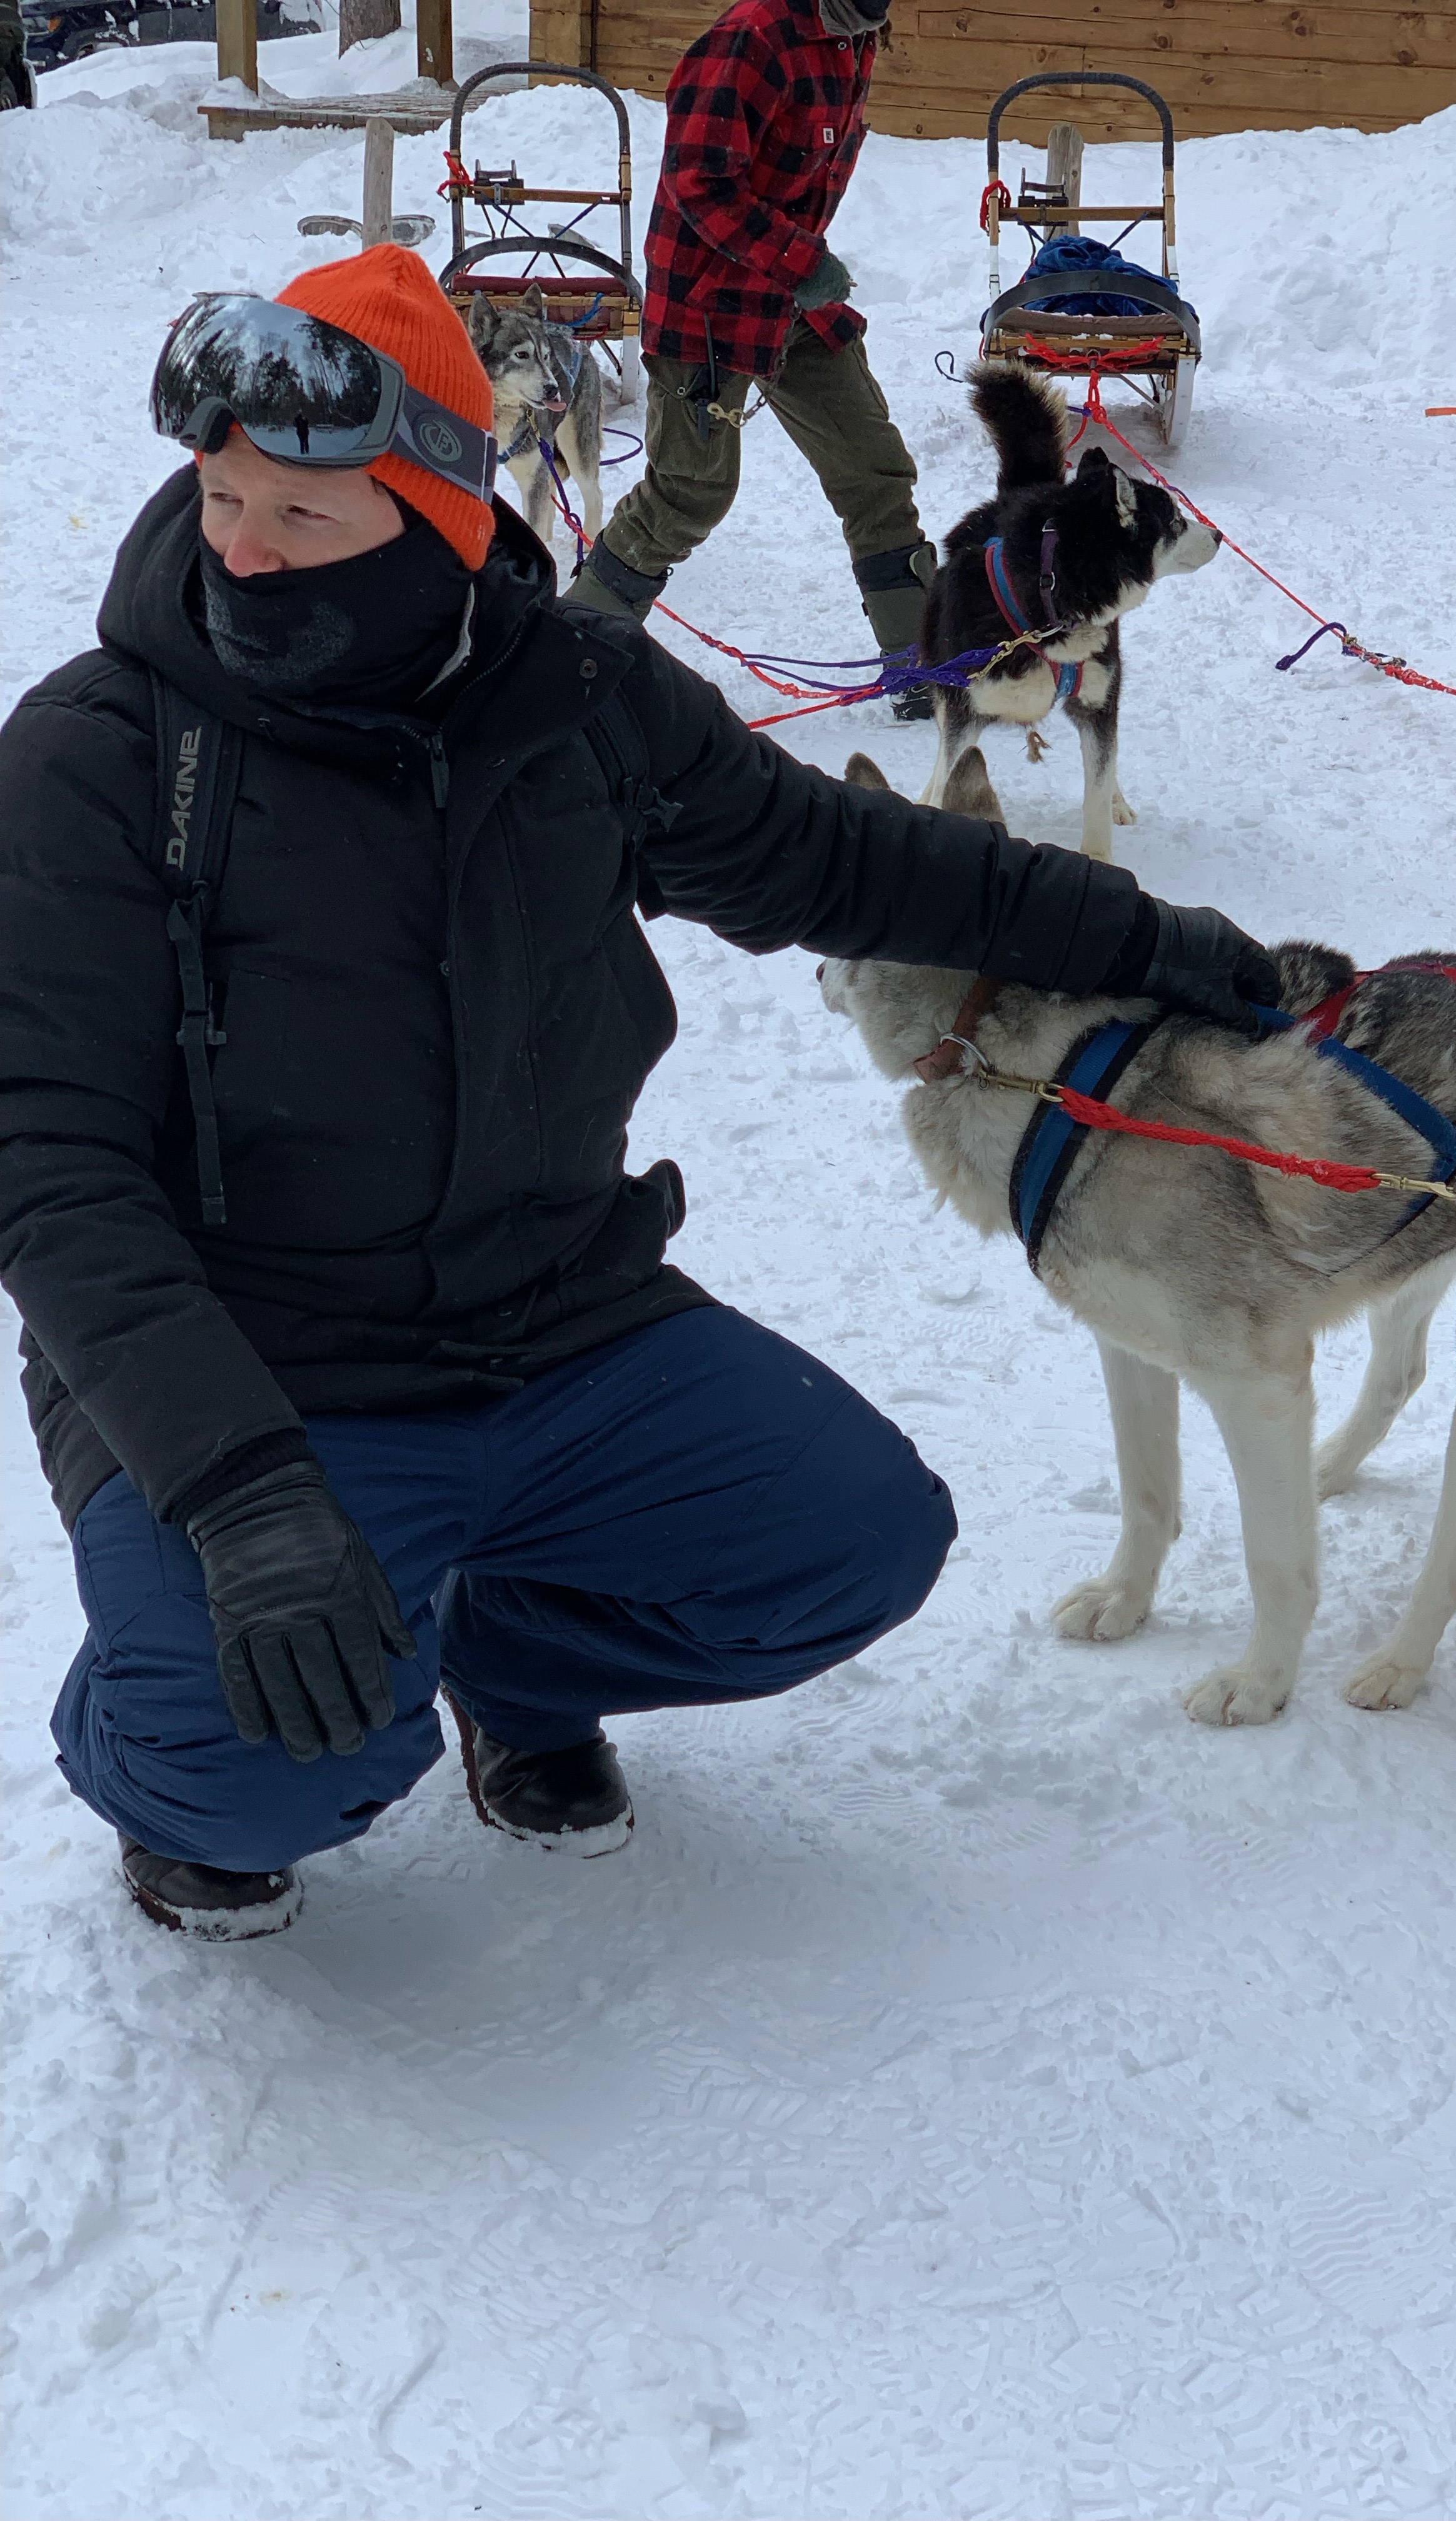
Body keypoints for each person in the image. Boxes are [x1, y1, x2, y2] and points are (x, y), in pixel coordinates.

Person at [0, 245, 1281, 1941]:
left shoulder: (576, 702)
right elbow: (49, 1163)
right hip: (259, 1370)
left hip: (551, 1323)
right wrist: (236, 1497)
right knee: (261, 1756)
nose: (240, 548)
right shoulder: (99, 753)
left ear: (440, 515)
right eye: (220, 496)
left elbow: (845, 861)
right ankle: (177, 1773)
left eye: (300, 519)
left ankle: (508, 1661)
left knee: (852, 1544)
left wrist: (1148, 933)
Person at [568, 0, 934, 714]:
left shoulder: (854, 35)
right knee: (689, 493)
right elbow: (698, 182)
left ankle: (926, 673)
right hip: (712, 305)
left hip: (794, 302)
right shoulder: (752, 40)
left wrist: (800, 272)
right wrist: (798, 261)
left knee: (874, 469)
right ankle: (565, 657)